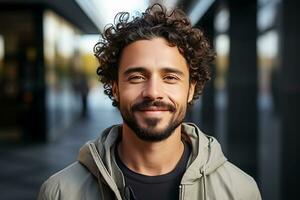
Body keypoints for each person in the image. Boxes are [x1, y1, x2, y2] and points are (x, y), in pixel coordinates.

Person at [38, 4, 261, 200]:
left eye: (170, 78)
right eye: (137, 77)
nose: (153, 92)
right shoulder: (59, 192)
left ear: (191, 90)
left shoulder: (240, 191)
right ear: (115, 88)